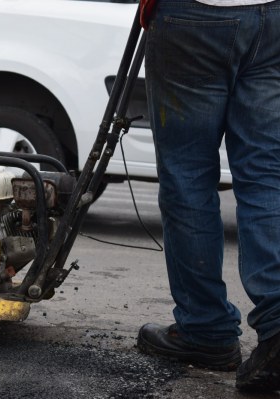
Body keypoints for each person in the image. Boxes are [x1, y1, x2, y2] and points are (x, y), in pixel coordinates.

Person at [136, 0, 280, 392]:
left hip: (193, 17)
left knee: (188, 179)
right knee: (266, 175)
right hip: (272, 19)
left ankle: (206, 328)